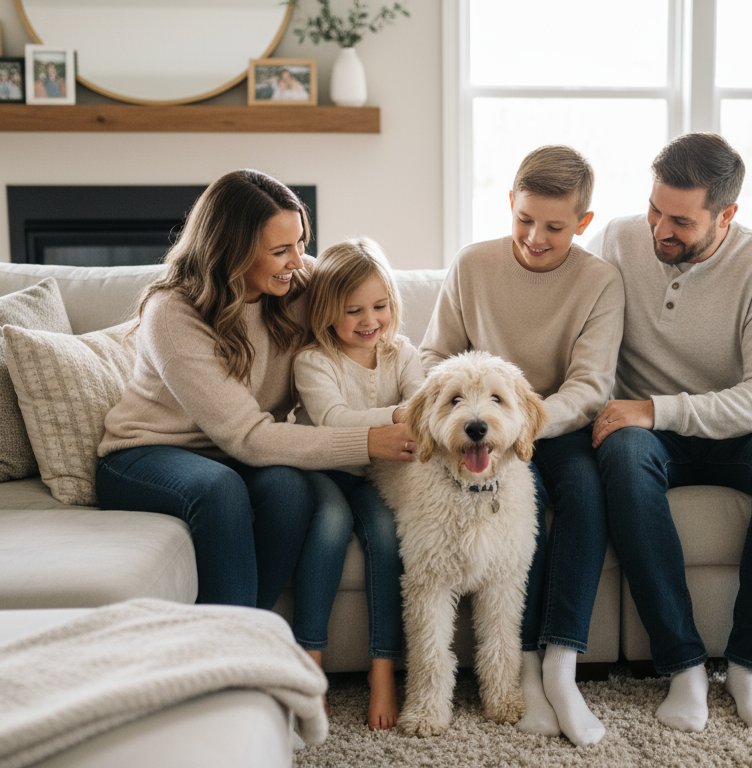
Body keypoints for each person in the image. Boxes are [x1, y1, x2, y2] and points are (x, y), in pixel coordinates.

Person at [96, 170, 416, 625]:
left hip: (233, 453)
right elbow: (249, 436)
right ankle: (232, 651)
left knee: (288, 491)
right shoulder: (172, 313)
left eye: (301, 243)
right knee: (220, 490)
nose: (298, 261)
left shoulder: (297, 285)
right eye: (281, 251)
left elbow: (366, 299)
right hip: (149, 453)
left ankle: (246, 633)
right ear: (234, 250)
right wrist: (368, 440)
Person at [586, 132, 752, 733]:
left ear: (727, 215)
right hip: (646, 435)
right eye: (654, 210)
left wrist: (657, 409)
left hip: (734, 433)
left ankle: (750, 666)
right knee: (622, 448)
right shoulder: (617, 238)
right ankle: (683, 665)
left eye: (681, 221)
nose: (660, 230)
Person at [420, 144, 624, 746]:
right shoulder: (472, 265)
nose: (535, 237)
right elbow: (433, 356)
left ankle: (556, 663)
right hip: (477, 426)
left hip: (545, 424)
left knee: (585, 494)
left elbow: (590, 385)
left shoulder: (599, 281)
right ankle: (519, 672)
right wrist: (463, 414)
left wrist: (523, 429)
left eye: (555, 227)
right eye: (524, 219)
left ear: (583, 223)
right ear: (510, 203)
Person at [291, 237, 422, 731]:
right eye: (354, 310)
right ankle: (311, 667)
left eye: (380, 306)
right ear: (327, 312)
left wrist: (412, 413)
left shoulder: (402, 353)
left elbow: (424, 403)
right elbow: (332, 419)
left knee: (387, 536)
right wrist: (395, 414)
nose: (370, 320)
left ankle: (383, 671)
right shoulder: (314, 359)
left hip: (376, 476)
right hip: (323, 469)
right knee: (329, 524)